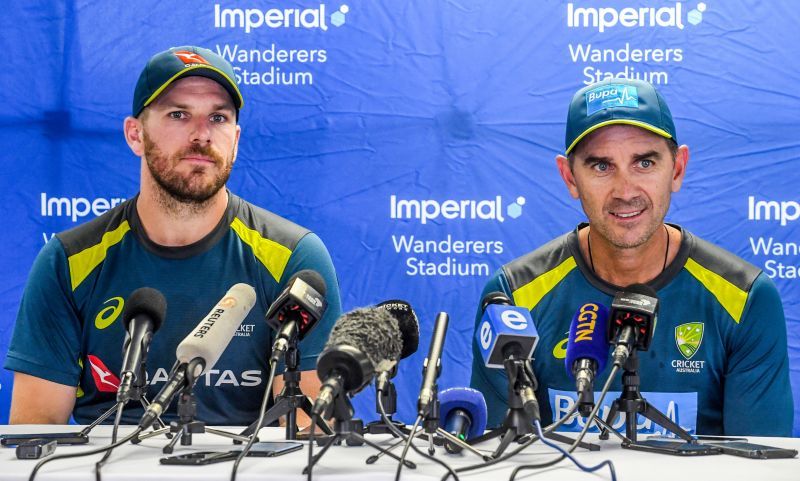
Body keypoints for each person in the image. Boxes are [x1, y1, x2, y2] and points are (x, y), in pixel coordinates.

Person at [4, 46, 342, 426]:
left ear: (236, 138)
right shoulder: (68, 261)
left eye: (218, 117)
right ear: (135, 134)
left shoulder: (294, 257)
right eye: (179, 114)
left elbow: (311, 435)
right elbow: (35, 435)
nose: (201, 134)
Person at [470, 78, 793, 436]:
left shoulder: (746, 299)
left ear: (677, 169)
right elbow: (495, 459)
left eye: (644, 163)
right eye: (601, 167)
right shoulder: (513, 298)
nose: (625, 191)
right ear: (569, 178)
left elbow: (760, 466)